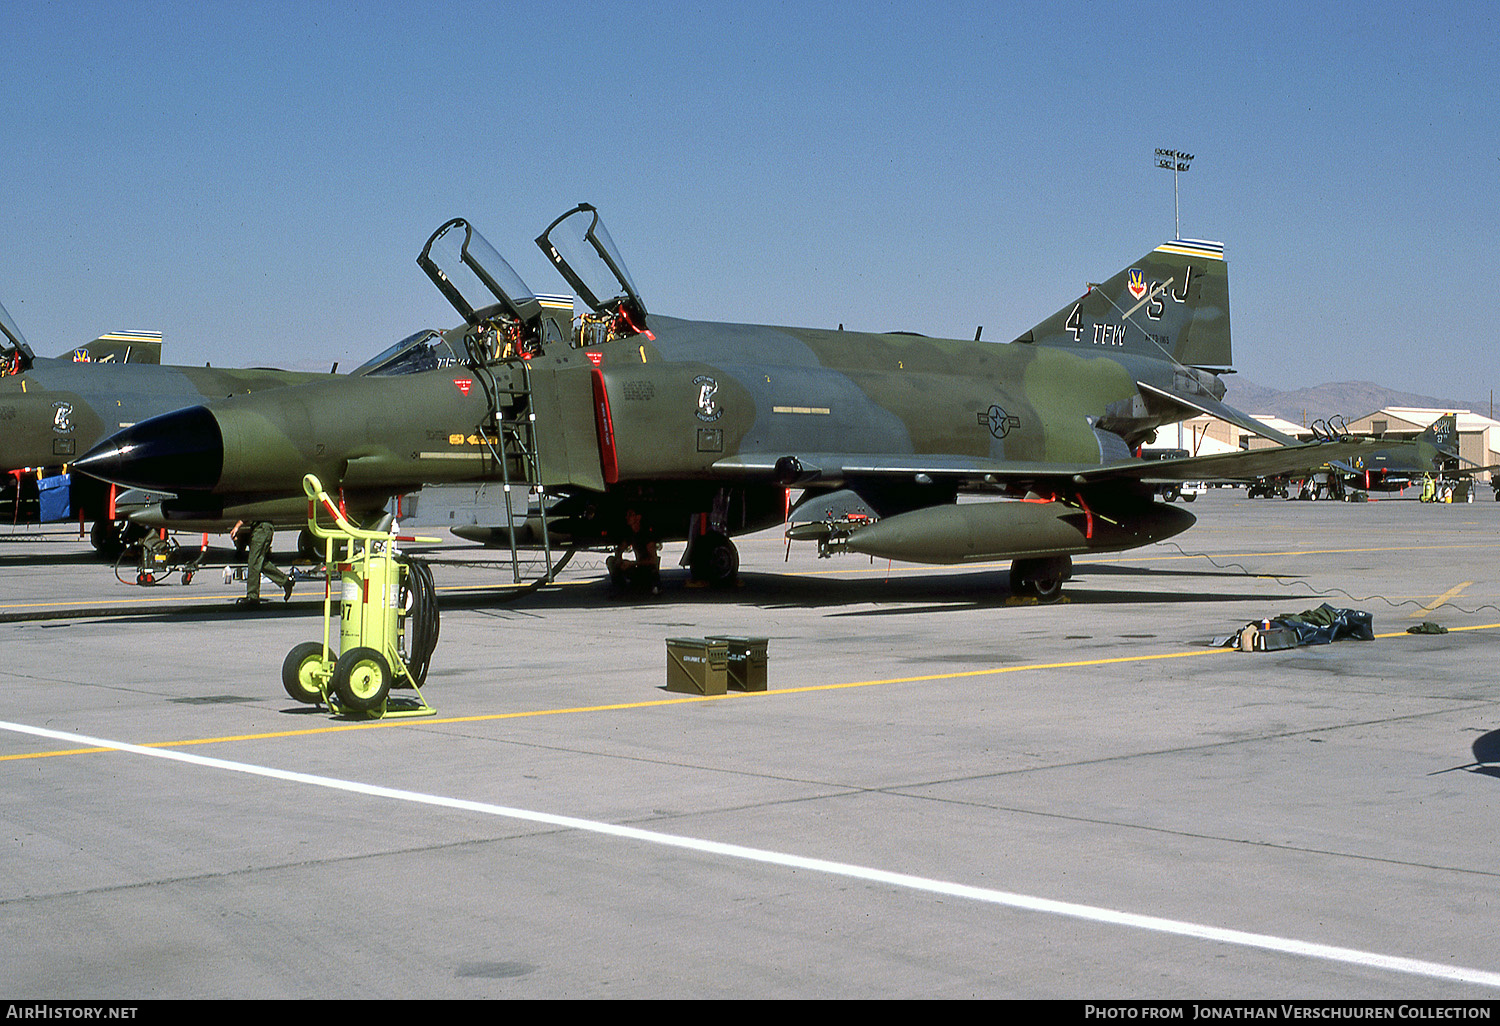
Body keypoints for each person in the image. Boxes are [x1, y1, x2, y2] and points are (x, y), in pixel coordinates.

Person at [232, 519, 293, 606]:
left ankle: (252, 597)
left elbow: (247, 513)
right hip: (259, 527)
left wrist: (237, 527)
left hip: (262, 527)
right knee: (259, 562)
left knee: (254, 562)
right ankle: (285, 581)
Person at [606, 507, 660, 595]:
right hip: (638, 567)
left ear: (638, 518)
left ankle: (648, 586)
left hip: (648, 571)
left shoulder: (646, 535)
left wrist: (632, 563)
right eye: (627, 515)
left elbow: (653, 561)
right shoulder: (631, 534)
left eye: (631, 515)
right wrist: (618, 557)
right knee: (611, 560)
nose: (627, 517)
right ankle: (619, 588)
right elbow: (621, 547)